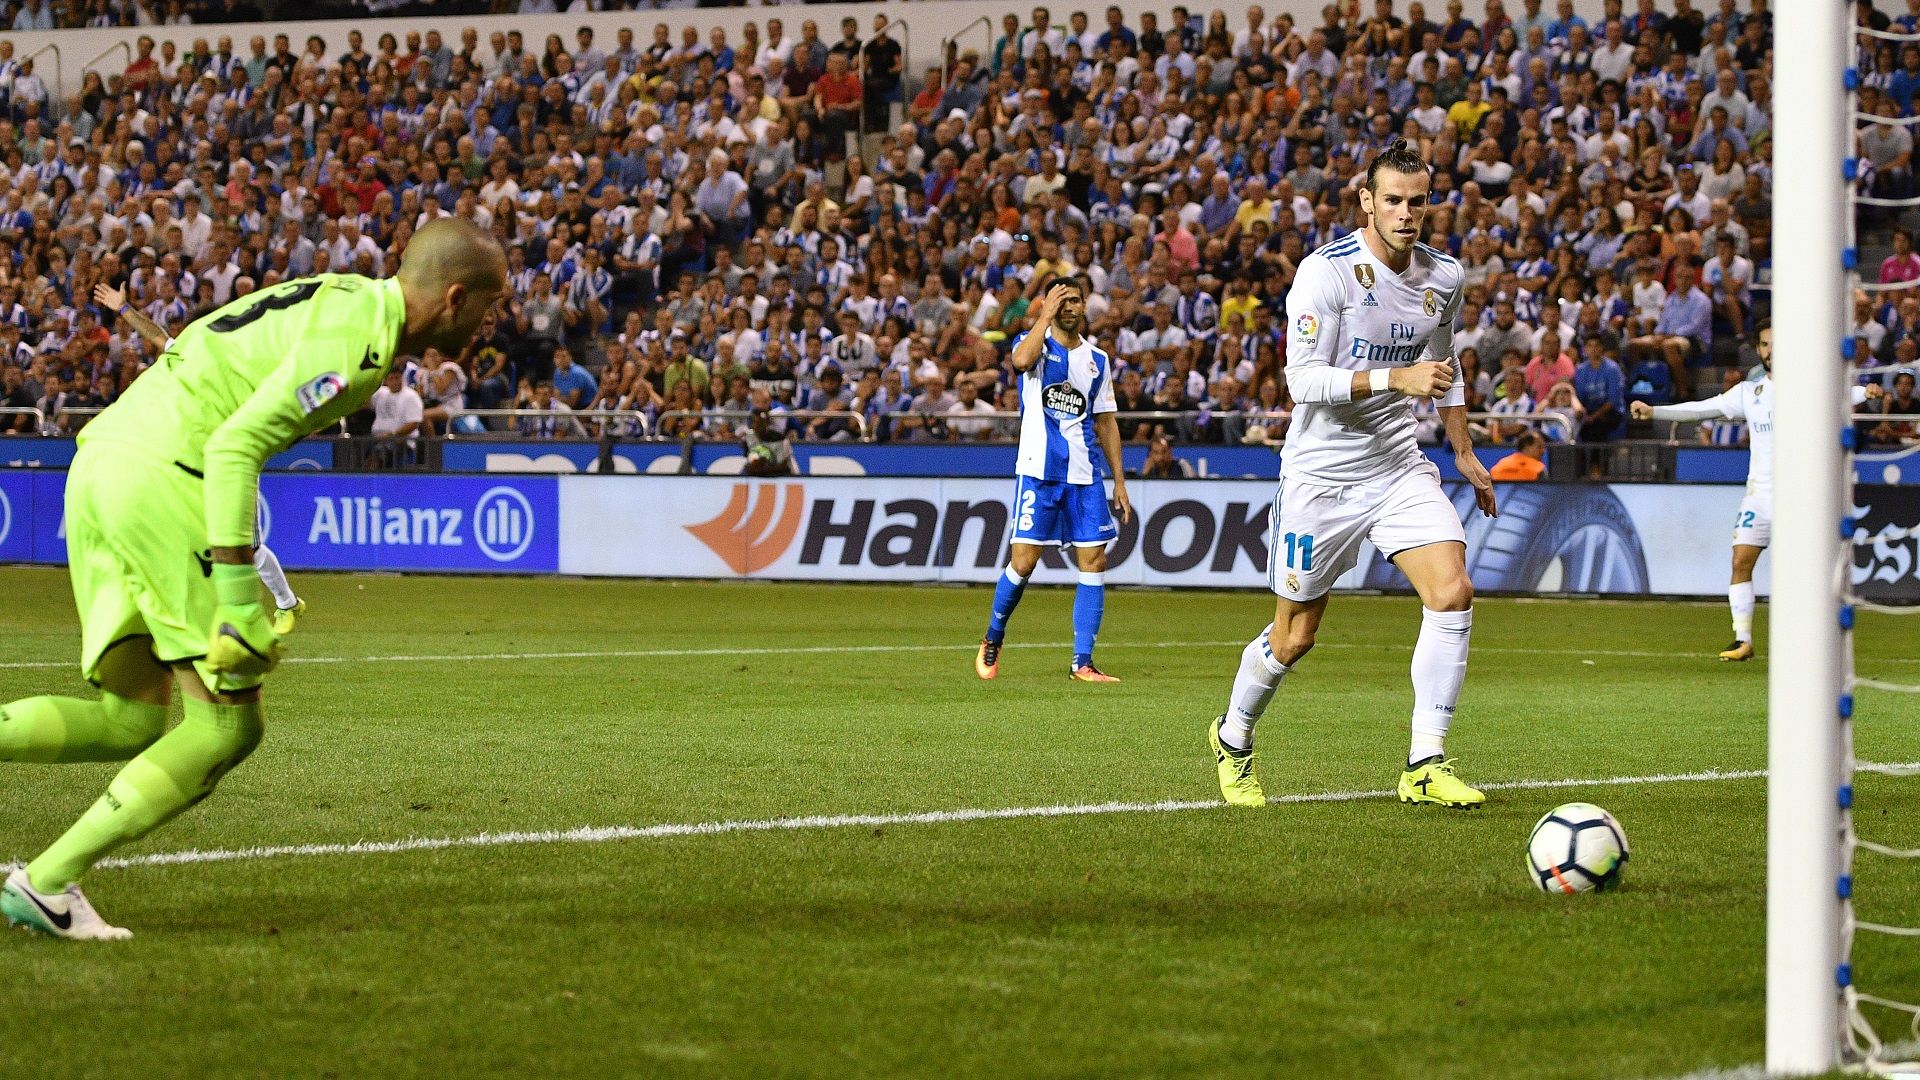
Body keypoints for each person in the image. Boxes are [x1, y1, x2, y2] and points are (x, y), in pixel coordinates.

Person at [0, 219, 506, 939]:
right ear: (455, 298)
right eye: (492, 305)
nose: (493, 322)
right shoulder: (358, 346)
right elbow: (235, 443)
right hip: (160, 478)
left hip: (104, 463)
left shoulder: (342, 299)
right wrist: (240, 601)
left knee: (129, 720)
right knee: (226, 726)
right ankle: (45, 884)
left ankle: (45, 884)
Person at [1210, 139, 1497, 811]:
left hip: (1397, 465)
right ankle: (1233, 737)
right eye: (1392, 200)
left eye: (1417, 202)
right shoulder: (1326, 273)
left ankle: (1424, 763)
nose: (1405, 213)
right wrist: (1396, 377)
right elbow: (1303, 380)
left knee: (1452, 592)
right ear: (1367, 201)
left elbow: (1444, 362)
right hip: (1321, 479)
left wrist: (1462, 451)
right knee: (1294, 637)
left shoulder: (1444, 276)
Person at [1632, 321, 1880, 662]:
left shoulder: (1810, 387)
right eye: (1764, 344)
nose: (1771, 350)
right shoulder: (1750, 393)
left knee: (1808, 572)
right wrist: (1654, 410)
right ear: (1759, 350)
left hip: (1801, 498)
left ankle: (1819, 641)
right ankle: (1743, 640)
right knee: (1740, 561)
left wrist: (1866, 393)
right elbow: (1705, 408)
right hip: (1759, 496)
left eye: (1776, 343)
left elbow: (1843, 393)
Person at [93, 281, 306, 635]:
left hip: (233, 460)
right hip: (194, 459)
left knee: (247, 549)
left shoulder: (242, 365)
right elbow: (157, 336)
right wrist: (123, 309)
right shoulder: (190, 353)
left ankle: (288, 605)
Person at [974, 279, 1133, 683]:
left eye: (1074, 299)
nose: (1068, 306)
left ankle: (1082, 661)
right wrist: (1042, 317)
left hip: (1084, 476)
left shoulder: (1098, 359)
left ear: (1084, 307)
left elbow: (1107, 423)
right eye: (1060, 300)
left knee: (1095, 561)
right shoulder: (1036, 347)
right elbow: (1020, 362)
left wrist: (1119, 480)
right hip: (1038, 472)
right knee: (1024, 562)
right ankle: (994, 636)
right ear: (1048, 305)